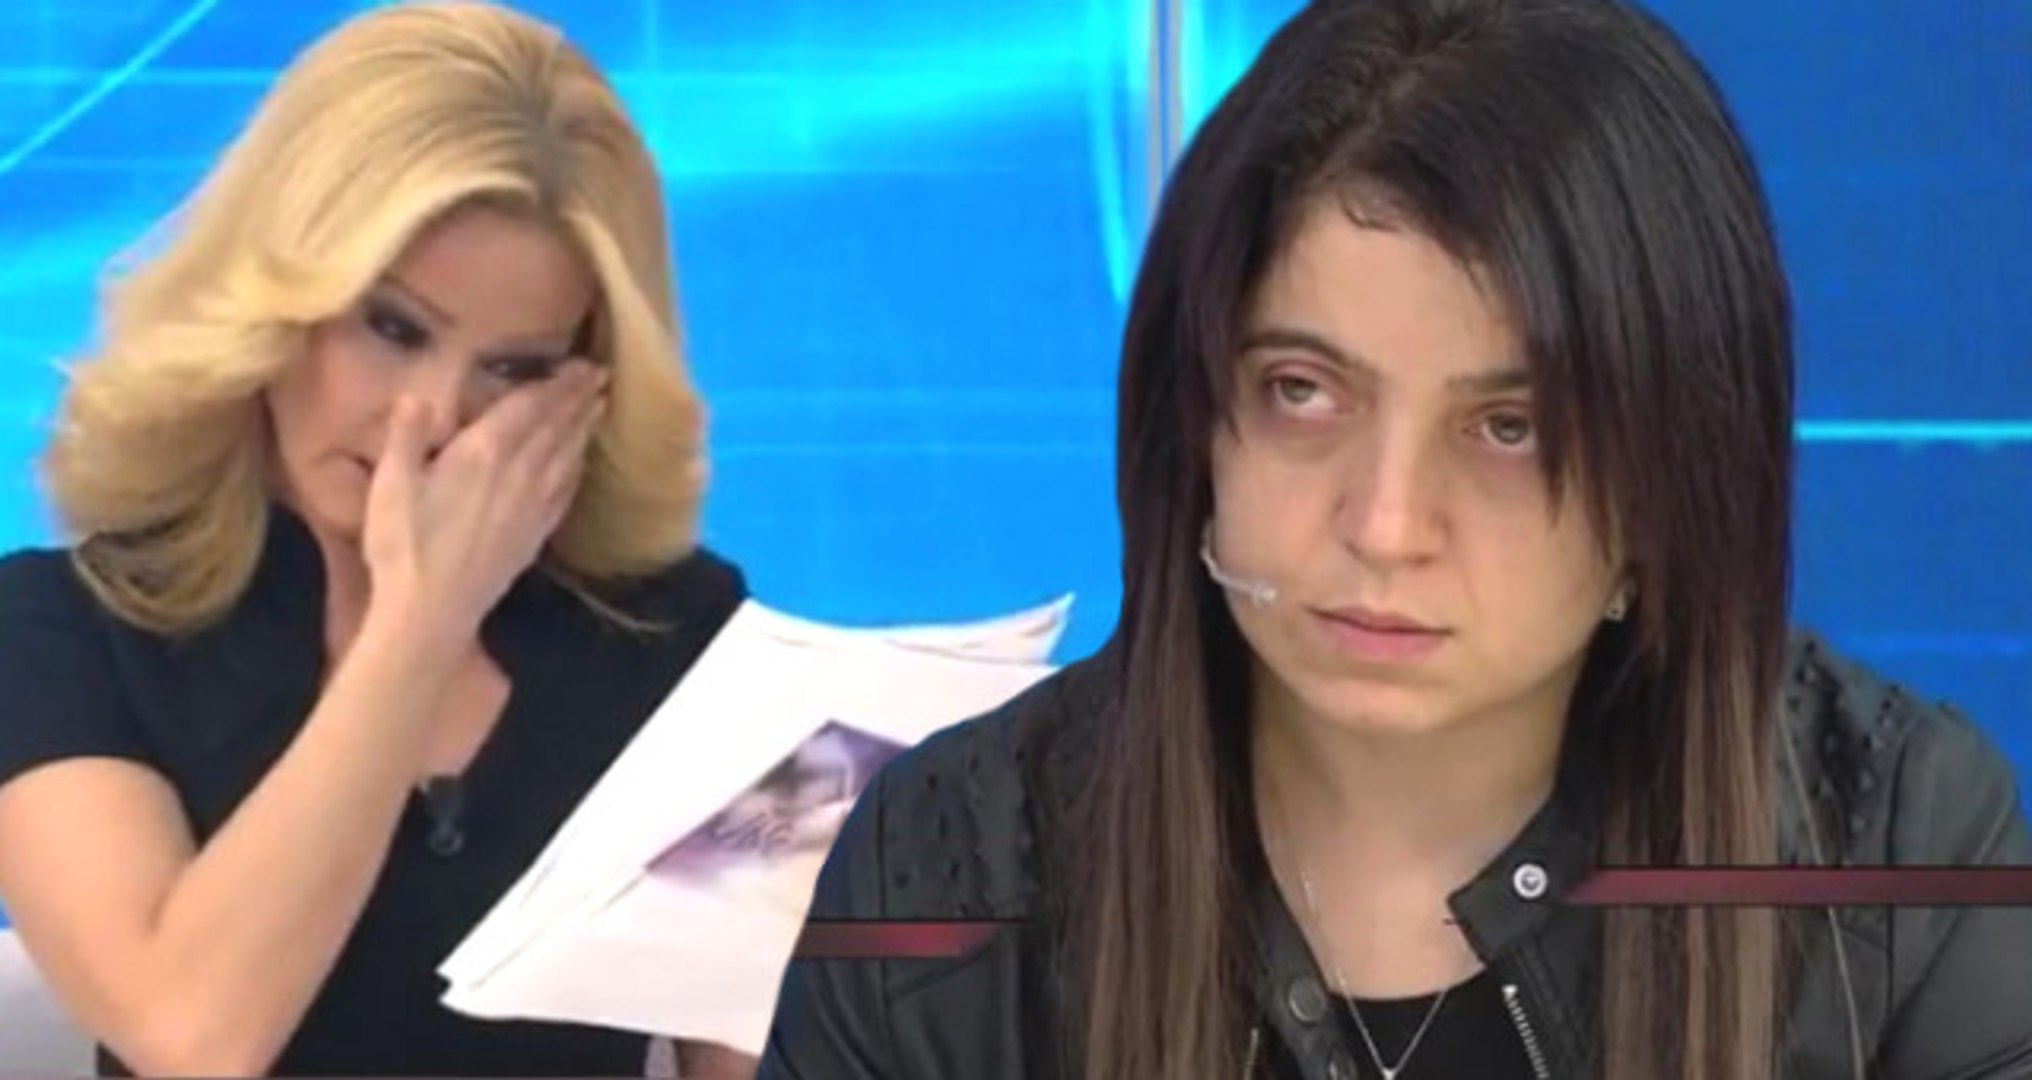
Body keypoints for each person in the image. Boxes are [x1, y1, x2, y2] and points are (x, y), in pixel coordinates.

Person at [757, 0, 2032, 1078]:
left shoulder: (1895, 850)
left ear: (1669, 478)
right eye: (1303, 392)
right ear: (1192, 429)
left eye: (1509, 427)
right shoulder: (949, 873)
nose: (1382, 525)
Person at [0, 4, 757, 1076]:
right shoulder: (59, 636)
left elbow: (770, 1042)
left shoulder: (691, 639)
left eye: (515, 369)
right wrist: (422, 621)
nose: (433, 417)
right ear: (273, 306)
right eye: (393, 329)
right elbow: (191, 1036)